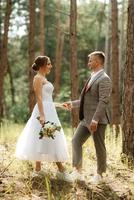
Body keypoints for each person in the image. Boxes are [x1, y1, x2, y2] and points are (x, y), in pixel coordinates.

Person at [15, 55, 72, 182]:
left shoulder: (43, 78)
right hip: (43, 112)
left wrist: (60, 105)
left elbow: (48, 100)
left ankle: (38, 169)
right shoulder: (37, 78)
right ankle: (60, 170)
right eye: (49, 64)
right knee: (48, 136)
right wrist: (42, 115)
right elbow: (39, 98)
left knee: (46, 137)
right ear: (42, 66)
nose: (51, 66)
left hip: (49, 110)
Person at [64, 51, 112, 184]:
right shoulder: (92, 77)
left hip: (97, 120)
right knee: (75, 141)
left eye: (90, 60)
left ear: (97, 62)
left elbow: (103, 101)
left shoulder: (104, 78)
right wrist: (72, 104)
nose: (88, 63)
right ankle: (77, 171)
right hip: (85, 119)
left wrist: (95, 120)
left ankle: (100, 175)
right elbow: (85, 100)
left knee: (99, 146)